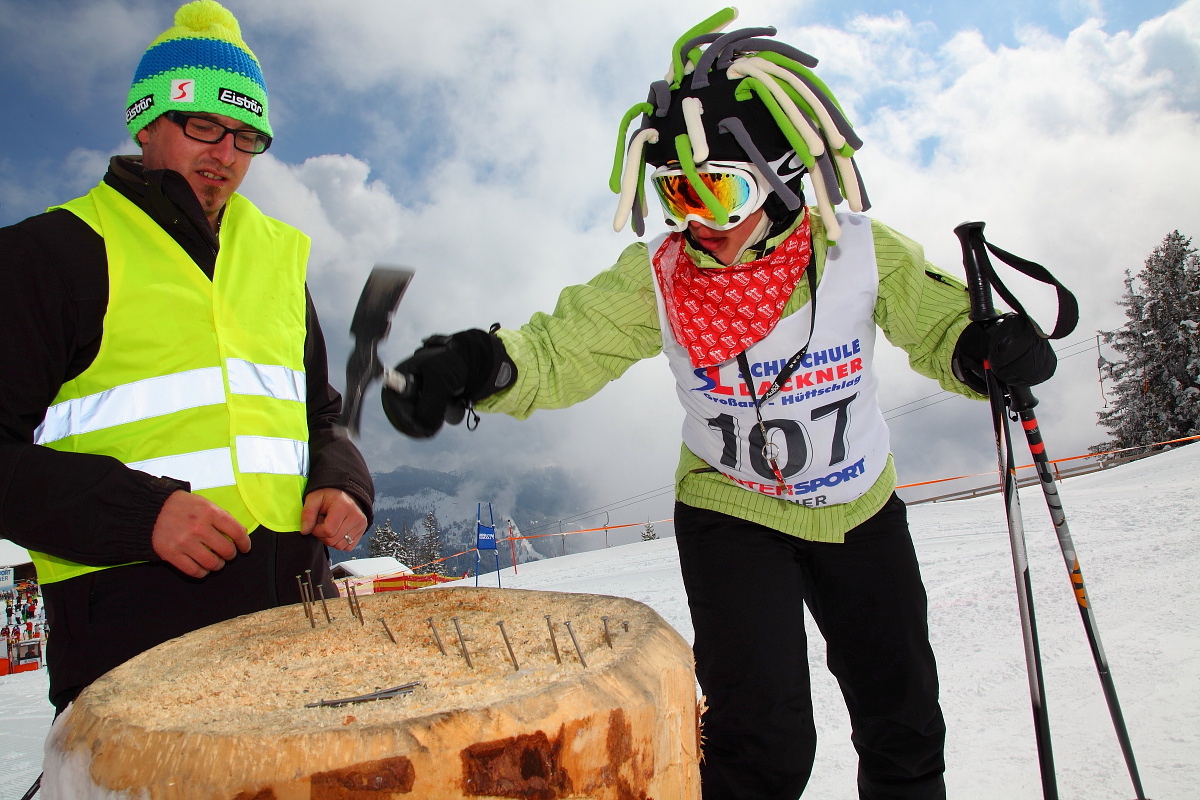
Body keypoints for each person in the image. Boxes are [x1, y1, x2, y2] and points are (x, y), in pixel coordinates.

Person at [380, 10, 1057, 800]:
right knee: (762, 742)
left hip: (857, 506)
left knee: (901, 717)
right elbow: (564, 347)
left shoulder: (852, 250)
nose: (701, 217)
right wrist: (480, 364)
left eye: (722, 187)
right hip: (732, 510)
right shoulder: (660, 276)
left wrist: (983, 351)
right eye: (677, 193)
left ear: (780, 176)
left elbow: (936, 321)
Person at [0, 0, 373, 714]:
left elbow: (315, 411)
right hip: (136, 656)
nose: (224, 154)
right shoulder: (52, 256)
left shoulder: (275, 258)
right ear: (145, 120)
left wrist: (340, 478)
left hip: (299, 631)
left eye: (245, 135)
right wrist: (141, 515)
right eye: (201, 124)